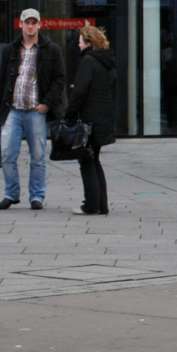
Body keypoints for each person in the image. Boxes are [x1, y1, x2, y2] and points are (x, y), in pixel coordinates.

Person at [0, 9, 65, 210]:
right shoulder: (10, 49)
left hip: (35, 110)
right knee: (7, 154)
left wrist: (46, 104)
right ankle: (11, 193)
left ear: (39, 25)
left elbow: (60, 79)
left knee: (38, 155)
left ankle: (37, 196)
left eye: (34, 22)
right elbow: (1, 81)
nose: (30, 26)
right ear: (21, 25)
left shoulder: (51, 49)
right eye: (27, 22)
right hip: (12, 109)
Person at [67, 26, 117, 216]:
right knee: (94, 160)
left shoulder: (88, 61)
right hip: (102, 118)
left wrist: (69, 115)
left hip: (89, 120)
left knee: (86, 161)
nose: (78, 45)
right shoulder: (103, 62)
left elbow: (79, 92)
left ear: (88, 44)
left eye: (80, 41)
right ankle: (101, 205)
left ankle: (91, 205)